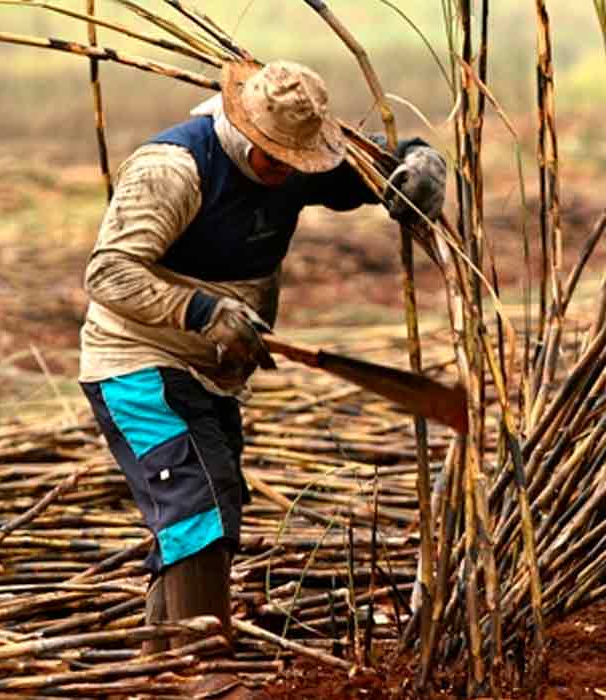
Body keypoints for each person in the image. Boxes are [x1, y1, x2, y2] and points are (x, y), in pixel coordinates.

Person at [77, 60, 445, 697]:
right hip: (136, 363)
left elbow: (379, 171)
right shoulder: (173, 168)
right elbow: (107, 273)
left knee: (209, 508)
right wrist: (203, 311)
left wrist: (420, 163)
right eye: (277, 163)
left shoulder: (299, 160)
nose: (292, 176)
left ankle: (164, 668)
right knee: (197, 505)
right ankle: (206, 677)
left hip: (214, 373)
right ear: (246, 137)